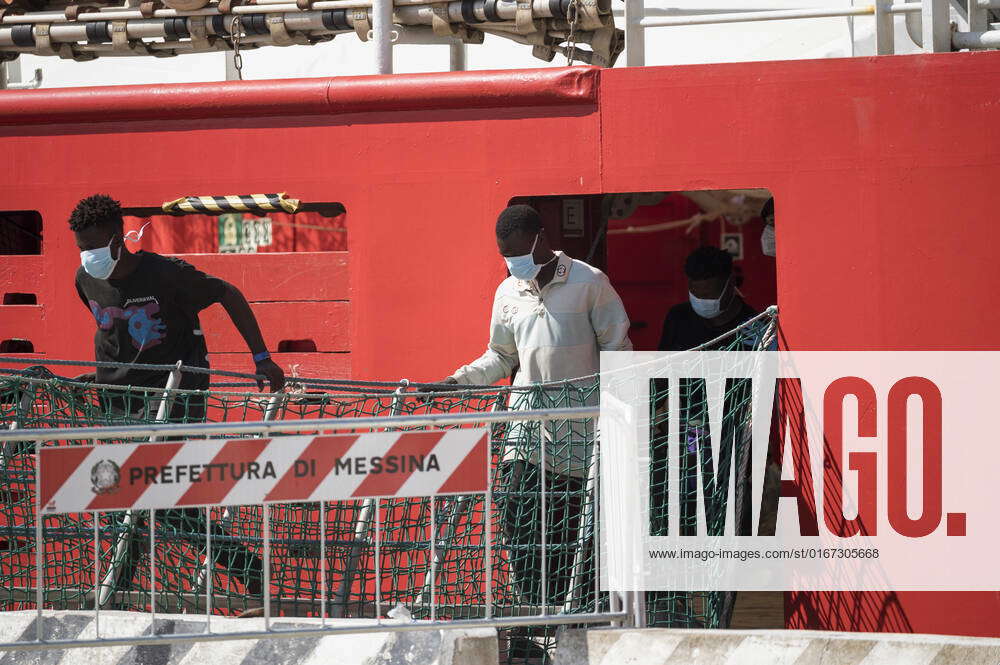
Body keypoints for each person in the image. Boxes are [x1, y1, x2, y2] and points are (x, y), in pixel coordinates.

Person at [434, 204, 632, 661]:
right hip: (525, 430)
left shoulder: (589, 282)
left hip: (581, 438)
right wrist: (456, 381)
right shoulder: (508, 292)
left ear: (541, 240)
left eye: (519, 254)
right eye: (506, 257)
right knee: (518, 521)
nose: (513, 264)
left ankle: (571, 626)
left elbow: (619, 353)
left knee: (571, 536)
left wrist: (617, 422)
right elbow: (501, 358)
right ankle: (540, 614)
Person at [70, 193, 284, 601]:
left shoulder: (166, 275)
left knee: (146, 489)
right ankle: (244, 565)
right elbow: (108, 331)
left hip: (175, 396)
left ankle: (119, 586)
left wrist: (262, 358)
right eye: (81, 249)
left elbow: (227, 293)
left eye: (94, 247)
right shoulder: (85, 279)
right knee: (138, 493)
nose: (87, 256)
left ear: (118, 240)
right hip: (120, 402)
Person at [657, 246, 759, 352]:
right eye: (696, 295)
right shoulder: (678, 317)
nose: (702, 302)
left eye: (708, 295)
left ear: (731, 283)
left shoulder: (754, 327)